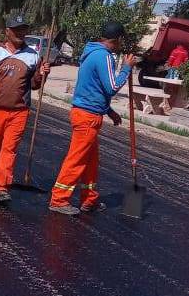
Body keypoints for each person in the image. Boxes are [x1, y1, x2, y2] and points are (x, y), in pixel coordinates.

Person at [49, 22, 136, 216]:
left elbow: (93, 89)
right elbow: (111, 87)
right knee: (77, 159)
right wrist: (127, 69)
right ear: (116, 40)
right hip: (87, 117)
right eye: (121, 40)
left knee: (90, 161)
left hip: (87, 112)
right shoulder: (104, 56)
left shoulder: (91, 53)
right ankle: (59, 199)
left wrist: (109, 110)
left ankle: (89, 199)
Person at [0, 12, 50, 204]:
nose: (20, 33)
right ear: (7, 31)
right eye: (16, 30)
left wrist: (41, 74)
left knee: (9, 149)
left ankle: (1, 187)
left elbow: (34, 85)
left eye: (23, 29)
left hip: (19, 111)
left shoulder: (33, 56)